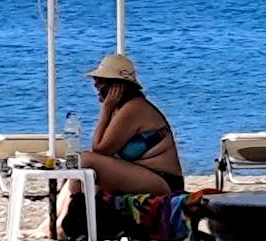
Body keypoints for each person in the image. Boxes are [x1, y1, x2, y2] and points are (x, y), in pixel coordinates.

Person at [75, 52, 185, 197]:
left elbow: (100, 149)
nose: (96, 85)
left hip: (163, 180)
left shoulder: (134, 108)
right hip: (144, 174)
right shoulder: (121, 109)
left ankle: (72, 208)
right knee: (77, 167)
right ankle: (68, 209)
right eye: (96, 81)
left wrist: (106, 108)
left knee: (86, 160)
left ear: (117, 87)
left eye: (101, 81)